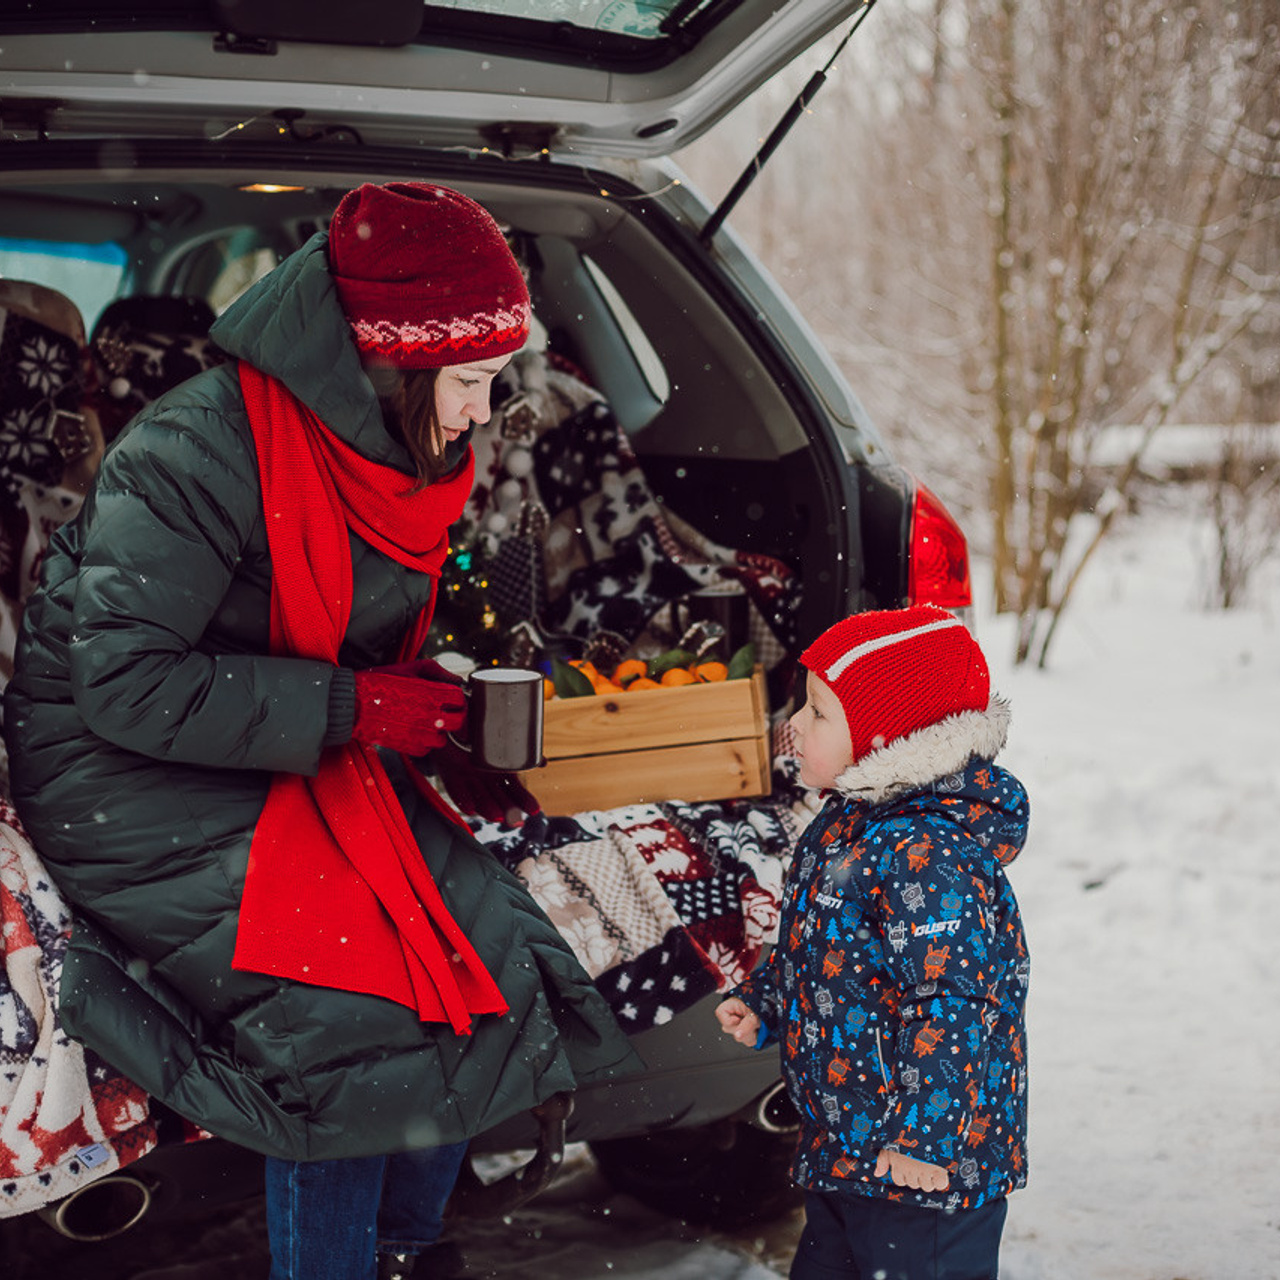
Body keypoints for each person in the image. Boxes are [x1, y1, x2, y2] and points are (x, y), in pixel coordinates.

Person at [4, 181, 638, 1280]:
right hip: (120, 764)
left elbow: (355, 633)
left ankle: (400, 1254)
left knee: (471, 954)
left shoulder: (402, 447)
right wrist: (353, 708)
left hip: (273, 737)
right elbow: (123, 683)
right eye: (475, 382)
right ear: (393, 363)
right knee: (356, 998)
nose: (486, 412)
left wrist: (428, 702)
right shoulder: (191, 452)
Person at [716, 605, 1030, 1280]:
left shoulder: (929, 858)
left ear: (887, 739)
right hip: (849, 1146)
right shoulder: (847, 827)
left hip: (924, 1169)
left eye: (819, 712)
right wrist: (767, 997)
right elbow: (830, 954)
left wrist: (923, 1140)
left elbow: (951, 1005)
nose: (794, 724)